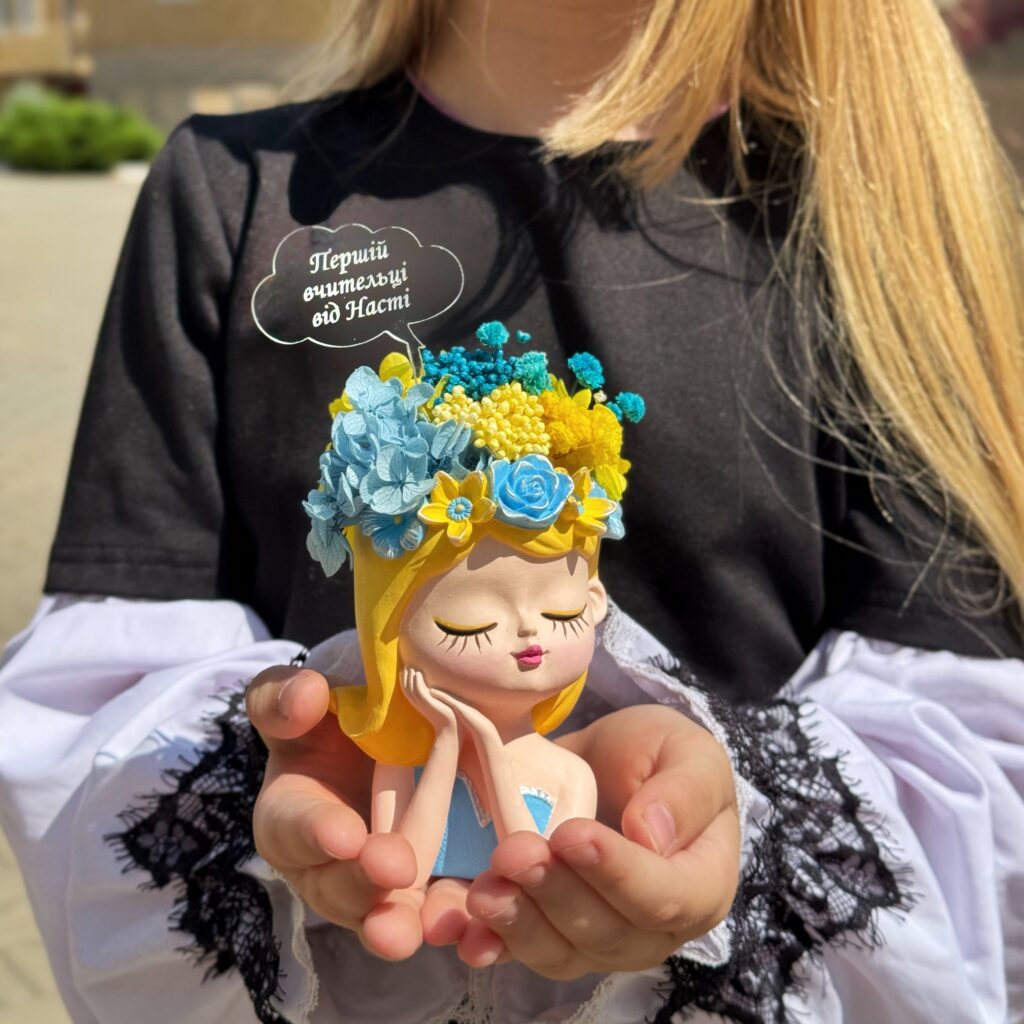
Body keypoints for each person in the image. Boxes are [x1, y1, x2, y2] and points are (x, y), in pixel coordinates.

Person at [0, 1, 1021, 1022]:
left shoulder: (880, 207)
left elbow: (972, 772)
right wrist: (273, 768)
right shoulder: (233, 189)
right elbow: (104, 706)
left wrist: (730, 820)